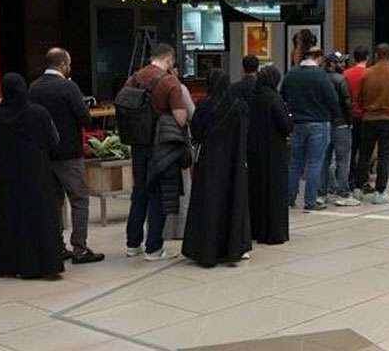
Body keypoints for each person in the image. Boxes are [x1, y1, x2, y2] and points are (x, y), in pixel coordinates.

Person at [0, 73, 64, 280]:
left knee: (8, 218)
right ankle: (44, 265)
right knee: (41, 218)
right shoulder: (39, 113)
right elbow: (54, 140)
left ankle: (7, 264)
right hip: (36, 174)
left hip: (5, 177)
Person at [28, 48, 104, 264]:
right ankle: (79, 248)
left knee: (54, 201)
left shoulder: (33, 88)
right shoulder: (68, 87)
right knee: (79, 199)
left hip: (44, 154)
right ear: (62, 64)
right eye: (68, 63)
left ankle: (57, 245)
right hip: (69, 153)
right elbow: (84, 118)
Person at [122, 44, 188, 261]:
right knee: (157, 195)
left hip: (137, 144)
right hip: (161, 147)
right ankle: (154, 248)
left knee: (139, 192)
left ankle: (133, 244)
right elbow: (180, 118)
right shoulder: (169, 82)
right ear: (169, 60)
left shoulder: (133, 78)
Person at [183, 70, 251, 267]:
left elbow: (196, 131)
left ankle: (207, 249)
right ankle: (234, 247)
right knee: (233, 201)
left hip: (209, 161)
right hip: (233, 161)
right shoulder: (239, 105)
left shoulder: (204, 105)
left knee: (209, 203)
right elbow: (245, 132)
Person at [281, 47, 338, 211]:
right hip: (319, 122)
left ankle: (289, 198)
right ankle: (310, 201)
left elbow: (283, 95)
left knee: (295, 163)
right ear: (319, 58)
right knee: (314, 163)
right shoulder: (321, 75)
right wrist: (334, 115)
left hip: (297, 123)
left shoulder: (291, 74)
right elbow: (332, 99)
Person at [355, 44, 389, 204]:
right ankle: (380, 191)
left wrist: (367, 109)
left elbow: (359, 98)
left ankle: (358, 188)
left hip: (369, 118)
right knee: (384, 156)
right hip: (388, 118)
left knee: (364, 154)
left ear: (375, 55)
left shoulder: (367, 73)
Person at [247, 66, 292, 244]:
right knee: (274, 192)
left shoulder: (253, 97)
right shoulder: (274, 98)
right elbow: (285, 125)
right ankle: (274, 231)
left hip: (254, 151)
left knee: (257, 191)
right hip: (274, 151)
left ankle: (257, 229)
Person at [320, 53, 358, 205]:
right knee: (343, 160)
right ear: (332, 64)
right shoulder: (341, 79)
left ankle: (322, 192)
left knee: (324, 160)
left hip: (324, 123)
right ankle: (343, 193)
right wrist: (350, 121)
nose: (343, 65)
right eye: (340, 62)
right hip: (341, 124)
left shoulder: (320, 79)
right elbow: (347, 102)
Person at [344, 46, 369, 190]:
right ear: (367, 57)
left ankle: (350, 178)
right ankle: (362, 179)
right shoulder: (369, 74)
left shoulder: (346, 74)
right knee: (365, 151)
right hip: (366, 115)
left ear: (354, 58)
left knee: (351, 150)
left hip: (350, 115)